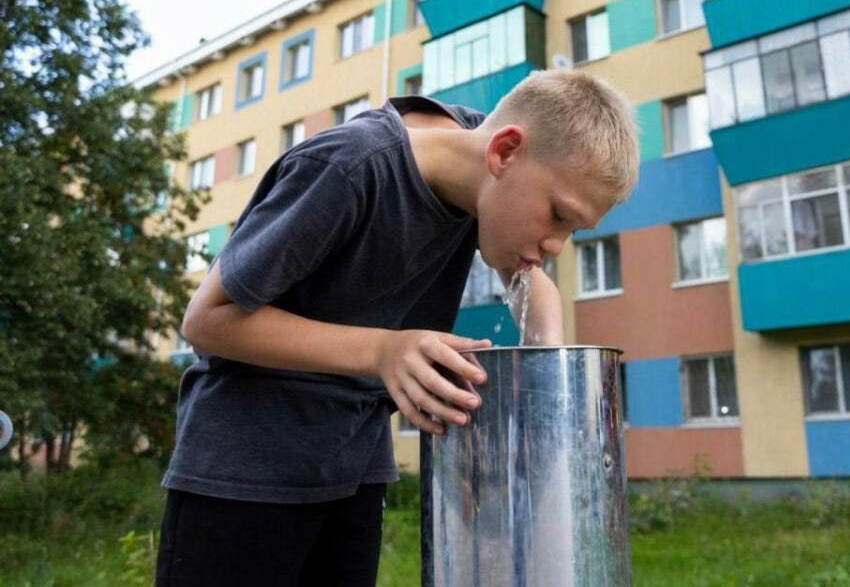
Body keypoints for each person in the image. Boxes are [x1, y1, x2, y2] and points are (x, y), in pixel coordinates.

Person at [154, 69, 640, 586]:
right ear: (503, 153)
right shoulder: (349, 169)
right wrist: (383, 352)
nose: (556, 245)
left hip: (355, 469)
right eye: (558, 216)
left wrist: (546, 383)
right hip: (244, 474)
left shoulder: (485, 159)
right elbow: (207, 319)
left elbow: (529, 281)